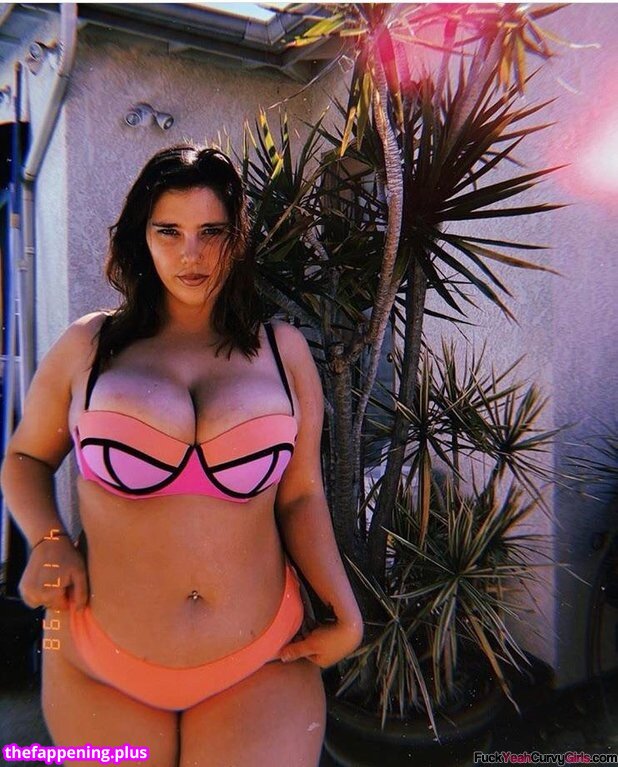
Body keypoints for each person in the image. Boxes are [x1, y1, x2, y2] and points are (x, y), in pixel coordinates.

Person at [0, 144, 363, 766]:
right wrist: (48, 540)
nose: (191, 254)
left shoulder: (283, 352)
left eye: (211, 232)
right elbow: (26, 459)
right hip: (96, 658)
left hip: (262, 659)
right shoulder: (89, 346)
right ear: (141, 237)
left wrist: (344, 609)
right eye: (168, 231)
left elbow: (301, 494)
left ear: (236, 239)